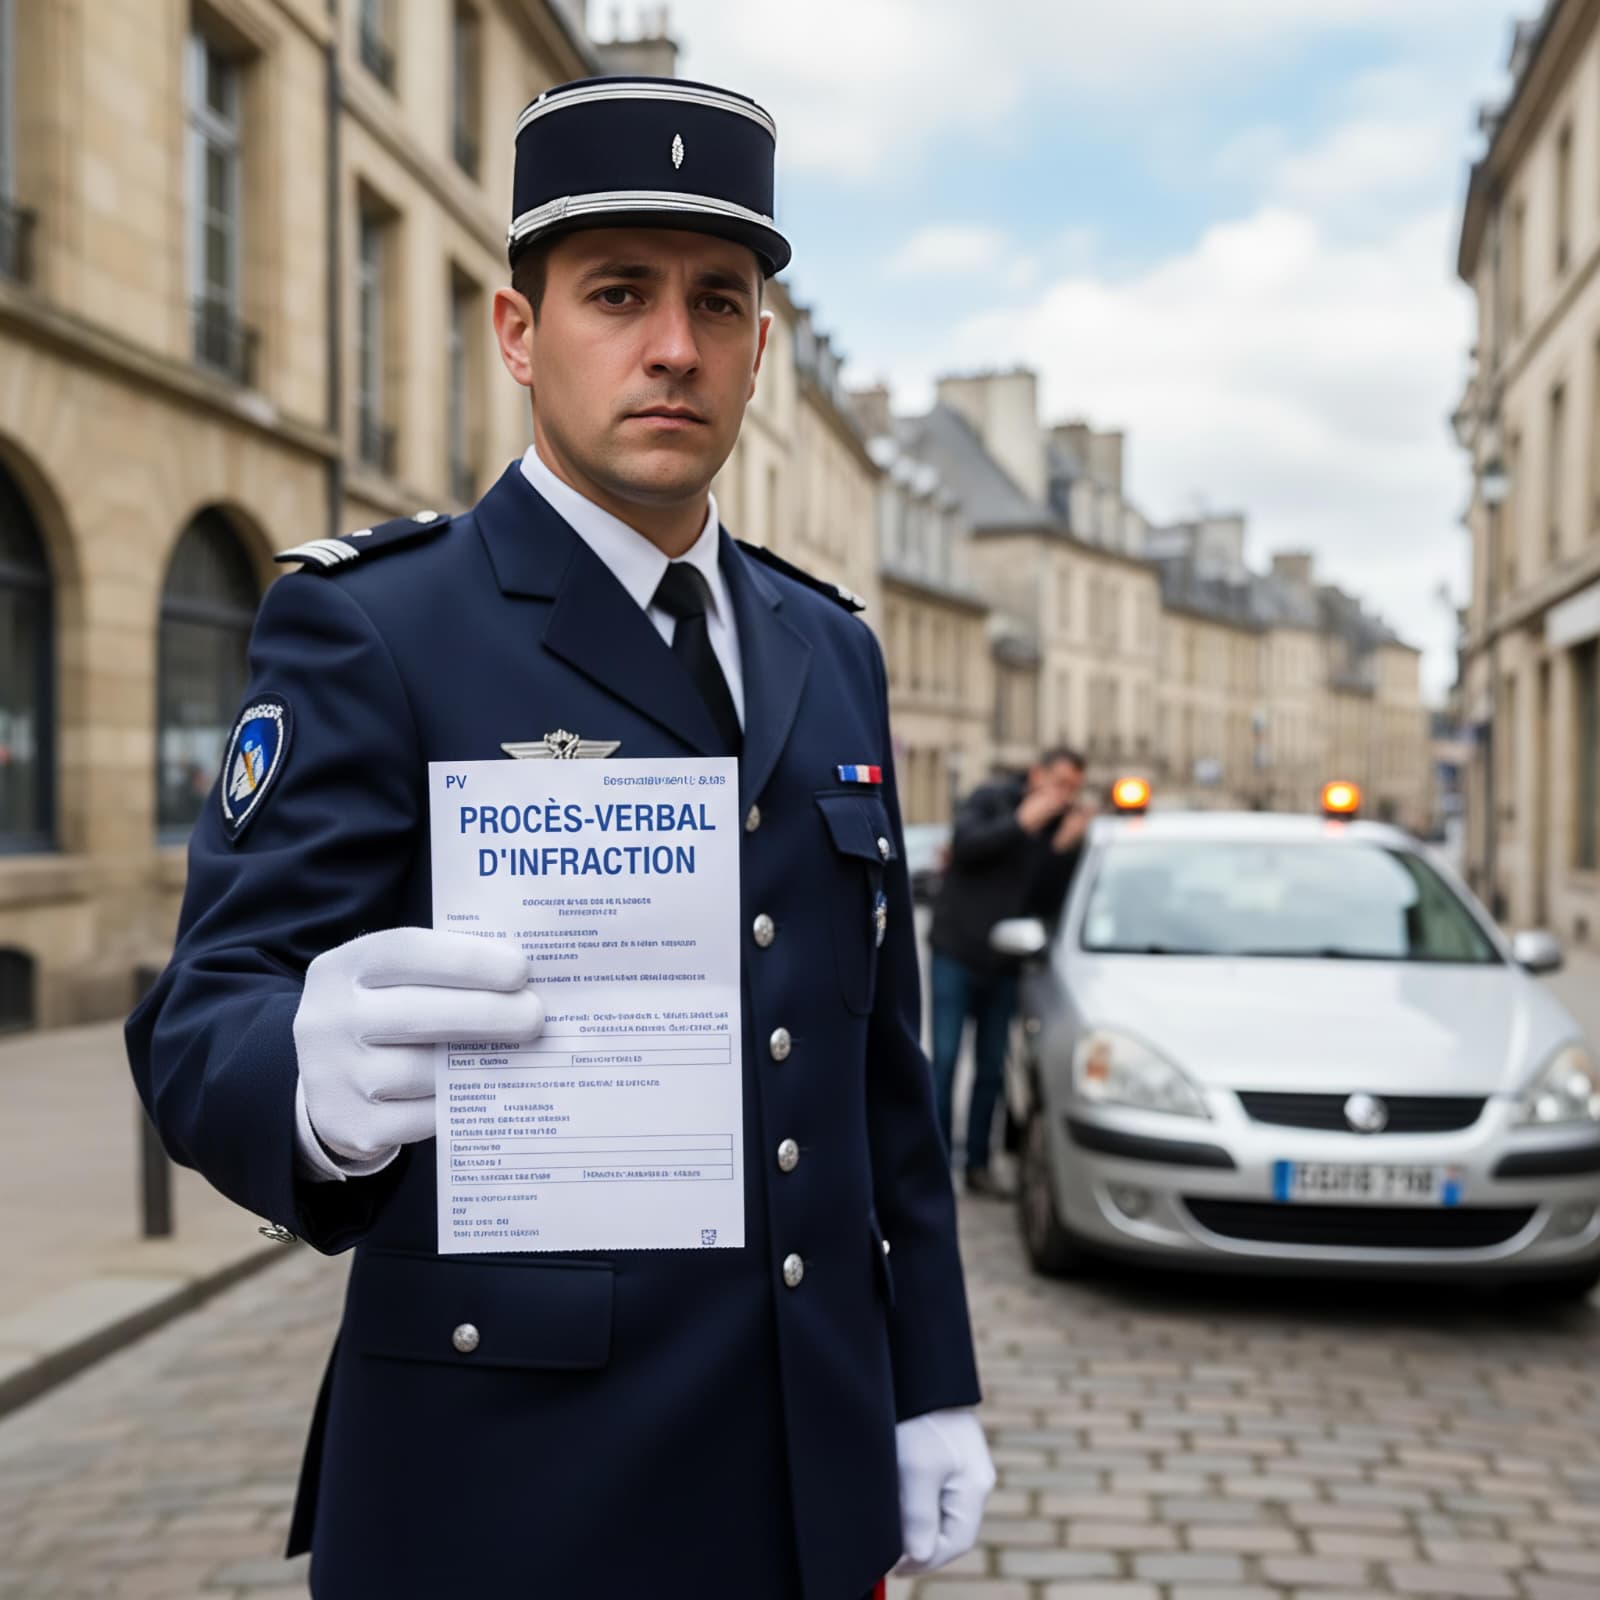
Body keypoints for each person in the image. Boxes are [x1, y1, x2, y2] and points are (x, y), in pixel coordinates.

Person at [126, 76, 991, 1600]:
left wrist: (928, 1375)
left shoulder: (826, 645)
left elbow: (880, 1077)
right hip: (507, 1492)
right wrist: (307, 1084)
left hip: (806, 1468)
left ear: (761, 349)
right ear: (520, 333)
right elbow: (209, 1012)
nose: (674, 346)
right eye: (617, 294)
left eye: (718, 302)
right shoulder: (379, 627)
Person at [927, 747, 1091, 1192]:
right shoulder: (992, 799)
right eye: (1060, 784)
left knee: (991, 1068)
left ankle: (978, 1163)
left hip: (1005, 963)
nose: (1065, 795)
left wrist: (1060, 848)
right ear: (1038, 774)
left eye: (1073, 788)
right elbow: (967, 848)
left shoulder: (1058, 826)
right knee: (944, 1061)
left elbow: (1043, 898)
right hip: (956, 952)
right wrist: (1023, 822)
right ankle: (935, 1163)